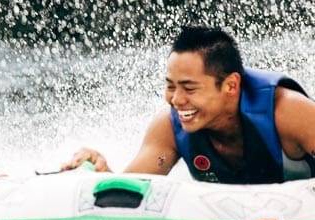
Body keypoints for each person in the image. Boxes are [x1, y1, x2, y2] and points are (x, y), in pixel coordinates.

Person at [64, 26, 315, 183]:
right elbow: (131, 191)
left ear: (230, 85)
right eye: (171, 86)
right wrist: (101, 171)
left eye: (189, 88)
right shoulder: (169, 128)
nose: (176, 99)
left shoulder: (288, 112)